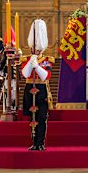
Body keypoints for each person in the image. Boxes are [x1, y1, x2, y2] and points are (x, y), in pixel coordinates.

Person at [21, 19, 54, 151]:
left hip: (41, 90)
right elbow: (25, 74)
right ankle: (34, 142)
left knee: (41, 118)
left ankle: (40, 142)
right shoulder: (27, 59)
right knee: (32, 118)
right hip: (29, 89)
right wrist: (31, 62)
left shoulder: (46, 60)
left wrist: (37, 66)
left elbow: (46, 76)